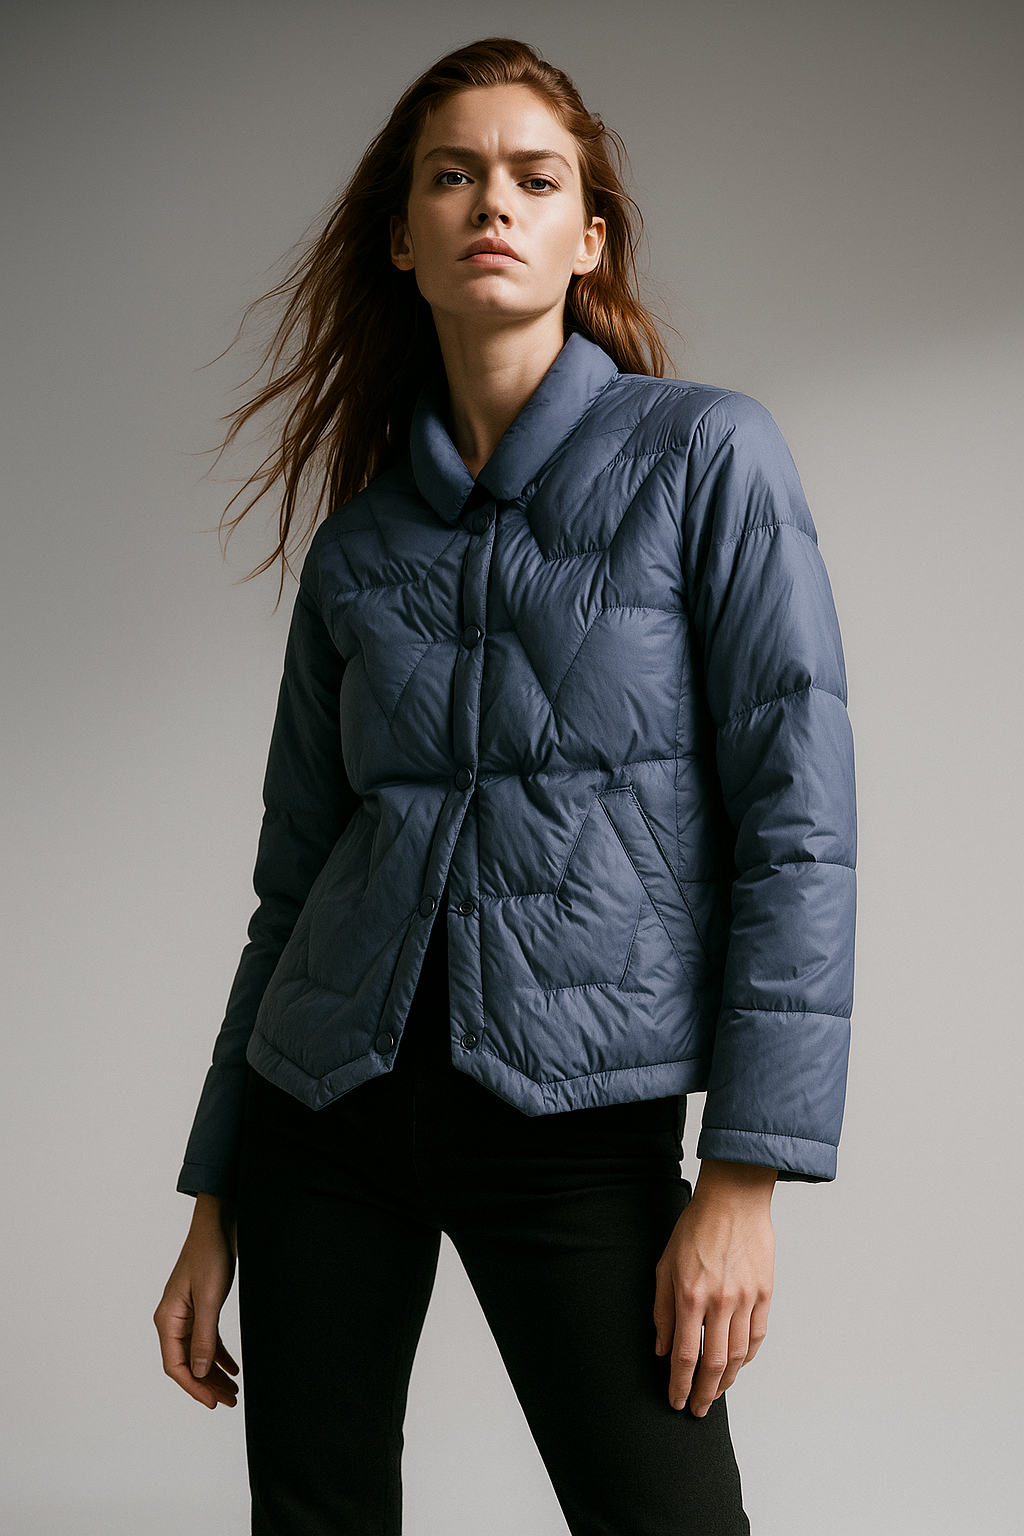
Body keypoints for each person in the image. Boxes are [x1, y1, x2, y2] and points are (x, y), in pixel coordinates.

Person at [154, 36, 856, 1536]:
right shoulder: (358, 549)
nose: (493, 202)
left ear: (587, 238)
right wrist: (218, 1197)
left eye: (536, 179)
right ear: (402, 238)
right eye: (453, 175)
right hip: (321, 1123)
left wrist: (744, 1175)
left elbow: (798, 828)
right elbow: (292, 888)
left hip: (580, 1122)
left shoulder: (707, 457)